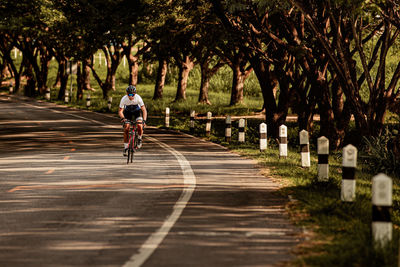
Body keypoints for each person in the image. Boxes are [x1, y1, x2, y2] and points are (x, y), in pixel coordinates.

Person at [119, 85, 147, 156]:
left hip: (137, 112)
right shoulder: (124, 99)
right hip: (127, 112)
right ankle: (125, 148)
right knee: (126, 128)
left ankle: (139, 138)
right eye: (129, 94)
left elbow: (144, 110)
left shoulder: (138, 98)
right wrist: (123, 118)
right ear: (127, 94)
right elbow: (120, 111)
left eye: (132, 95)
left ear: (135, 94)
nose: (131, 96)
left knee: (140, 125)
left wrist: (144, 120)